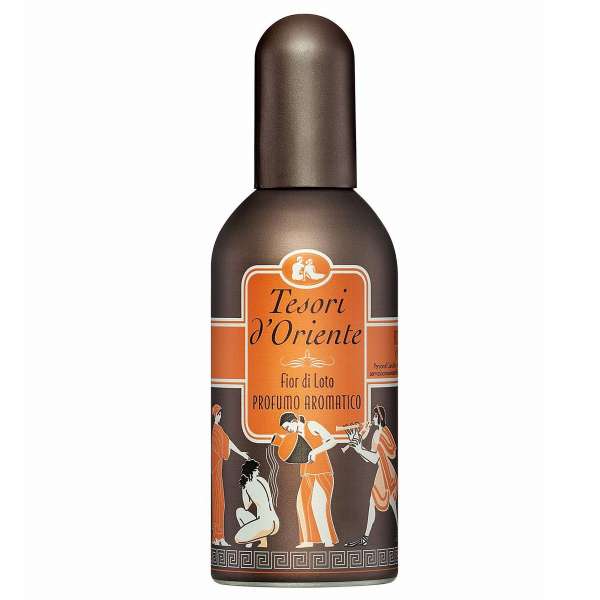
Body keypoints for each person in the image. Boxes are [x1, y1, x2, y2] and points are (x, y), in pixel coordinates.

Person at [276, 412, 338, 548]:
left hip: (322, 472)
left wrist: (314, 451)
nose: (288, 431)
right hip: (306, 474)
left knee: (318, 505)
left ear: (293, 421)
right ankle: (307, 540)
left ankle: (327, 540)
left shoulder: (311, 425)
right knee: (301, 504)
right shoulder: (296, 436)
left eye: (288, 428)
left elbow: (332, 441)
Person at [345, 405, 397, 546]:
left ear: (380, 417)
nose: (373, 418)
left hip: (386, 471)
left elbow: (376, 458)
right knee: (377, 502)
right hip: (381, 470)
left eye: (375, 416)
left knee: (392, 502)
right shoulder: (376, 434)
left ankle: (392, 535)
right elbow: (370, 458)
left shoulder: (384, 433)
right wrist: (359, 447)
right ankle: (366, 537)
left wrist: (359, 449)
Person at [211, 404, 249, 546]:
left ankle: (218, 537)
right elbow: (225, 446)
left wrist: (241, 454)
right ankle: (217, 537)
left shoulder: (218, 430)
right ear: (216, 415)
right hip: (214, 471)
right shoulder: (215, 431)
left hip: (217, 472)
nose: (220, 416)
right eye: (219, 414)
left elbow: (228, 442)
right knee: (217, 502)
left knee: (219, 502)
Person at [234, 460, 279, 548]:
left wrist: (244, 489)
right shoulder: (262, 480)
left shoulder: (247, 485)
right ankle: (263, 542)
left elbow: (246, 506)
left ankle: (251, 539)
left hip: (266, 524)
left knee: (237, 539)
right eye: (256, 470)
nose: (258, 472)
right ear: (252, 472)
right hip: (274, 521)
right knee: (240, 511)